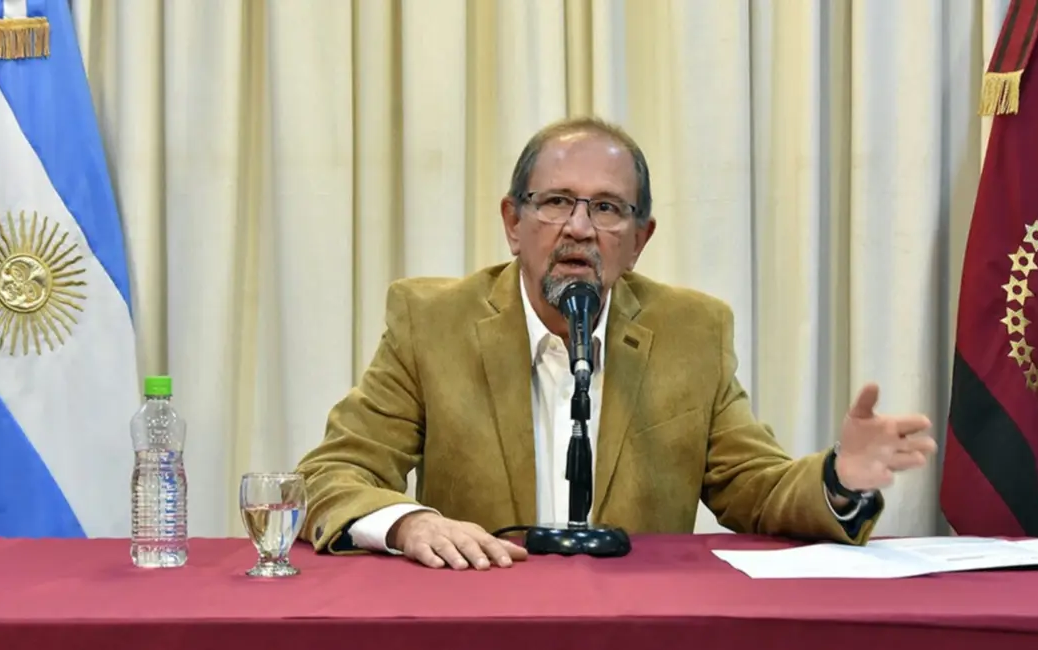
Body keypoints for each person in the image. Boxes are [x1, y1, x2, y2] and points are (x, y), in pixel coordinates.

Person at [295, 117, 936, 570]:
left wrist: (839, 480)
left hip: (638, 628)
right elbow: (330, 475)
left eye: (606, 209)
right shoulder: (433, 322)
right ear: (513, 223)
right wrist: (410, 523)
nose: (578, 227)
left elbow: (755, 486)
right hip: (479, 621)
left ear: (638, 241)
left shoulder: (691, 332)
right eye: (555, 202)